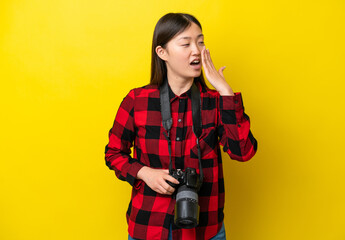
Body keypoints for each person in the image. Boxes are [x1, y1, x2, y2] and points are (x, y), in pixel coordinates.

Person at [104, 13, 258, 240]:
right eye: (186, 43)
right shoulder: (137, 100)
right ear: (162, 52)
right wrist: (145, 173)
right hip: (149, 226)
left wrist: (226, 93)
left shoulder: (217, 102)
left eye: (201, 42)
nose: (196, 50)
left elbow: (243, 152)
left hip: (205, 230)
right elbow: (113, 153)